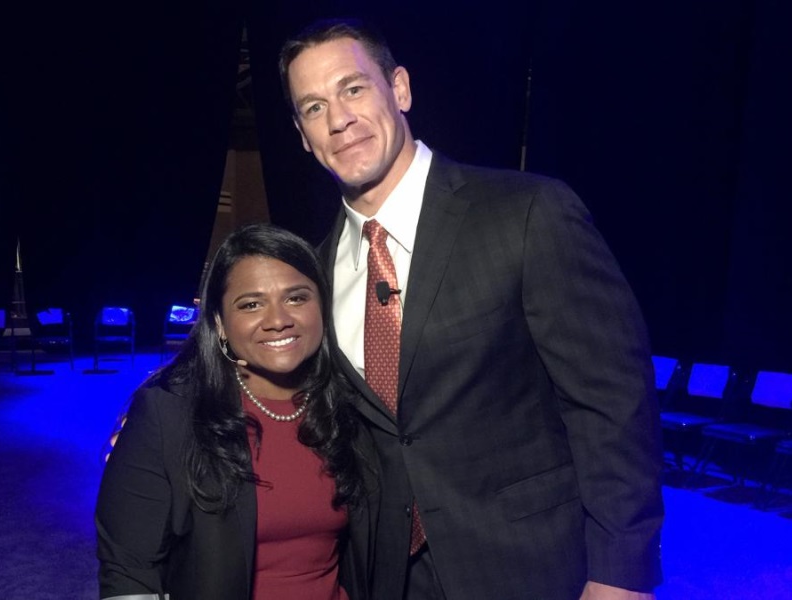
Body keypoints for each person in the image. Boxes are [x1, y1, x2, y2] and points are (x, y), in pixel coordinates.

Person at [278, 18, 664, 600]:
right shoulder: (317, 270)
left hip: (532, 569)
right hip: (388, 580)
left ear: (399, 89)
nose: (338, 119)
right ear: (303, 135)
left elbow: (613, 402)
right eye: (314, 107)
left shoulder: (527, 213)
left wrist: (620, 574)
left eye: (353, 88)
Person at [95, 223, 378, 600]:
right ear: (220, 324)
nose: (278, 320)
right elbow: (129, 572)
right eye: (251, 304)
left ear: (323, 308)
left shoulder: (349, 406)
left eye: (296, 298)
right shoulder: (169, 414)